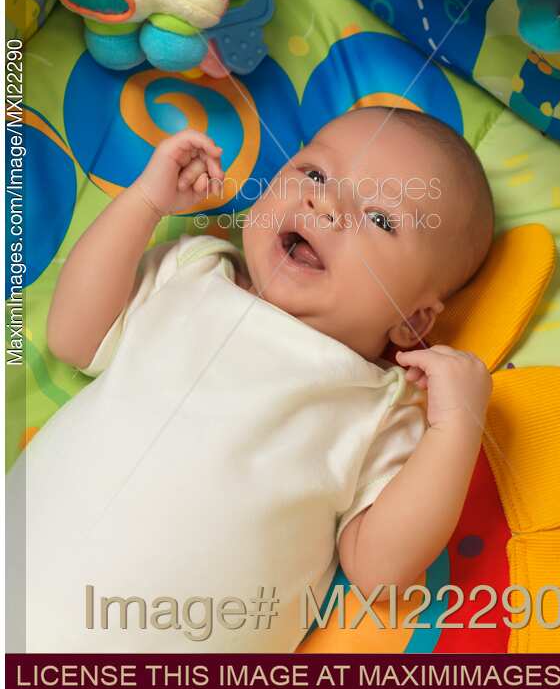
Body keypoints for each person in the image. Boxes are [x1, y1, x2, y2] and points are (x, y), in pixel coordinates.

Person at [10, 107, 494, 651]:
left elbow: (379, 570)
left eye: (381, 218)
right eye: (314, 174)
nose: (325, 201)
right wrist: (145, 203)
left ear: (412, 322)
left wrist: (456, 428)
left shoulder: (379, 403)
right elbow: (73, 337)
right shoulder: (194, 270)